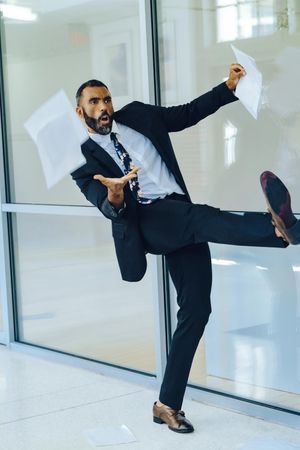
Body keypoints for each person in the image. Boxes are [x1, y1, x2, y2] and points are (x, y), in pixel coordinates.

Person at [71, 64, 300, 434]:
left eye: (107, 98)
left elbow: (187, 114)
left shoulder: (139, 115)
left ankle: (166, 404)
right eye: (94, 102)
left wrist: (228, 88)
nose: (104, 106)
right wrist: (114, 193)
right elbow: (107, 205)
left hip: (175, 208)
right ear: (80, 111)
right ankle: (283, 229)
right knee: (201, 218)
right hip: (146, 219)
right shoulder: (84, 161)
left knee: (196, 310)